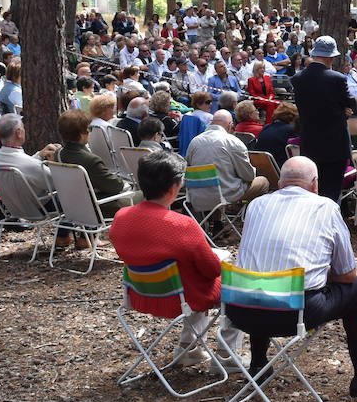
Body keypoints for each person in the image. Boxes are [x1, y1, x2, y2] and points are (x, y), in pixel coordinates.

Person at [234, 155, 357, 396]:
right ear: (315, 184)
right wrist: (322, 273)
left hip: (241, 310)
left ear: (280, 183)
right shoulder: (326, 207)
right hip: (293, 314)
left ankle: (259, 362)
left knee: (264, 279)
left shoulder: (256, 205)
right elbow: (348, 275)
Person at [110, 148, 238, 370]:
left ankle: (189, 348)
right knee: (236, 283)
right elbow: (211, 270)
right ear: (174, 187)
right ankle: (226, 357)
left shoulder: (121, 218)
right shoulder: (181, 225)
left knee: (189, 276)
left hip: (139, 293)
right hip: (179, 298)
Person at [291, 35, 356, 202]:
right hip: (335, 146)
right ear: (331, 57)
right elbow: (351, 103)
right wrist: (343, 110)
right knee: (332, 193)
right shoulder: (337, 79)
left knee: (312, 192)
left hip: (310, 144)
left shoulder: (298, 79)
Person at [56, 109, 138, 221]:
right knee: (145, 195)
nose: (90, 132)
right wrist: (123, 182)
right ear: (81, 134)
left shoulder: (59, 154)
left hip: (72, 206)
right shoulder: (90, 160)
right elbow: (115, 186)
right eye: (88, 129)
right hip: (99, 207)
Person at [185, 109, 270, 212]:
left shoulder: (194, 141)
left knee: (219, 182)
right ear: (230, 125)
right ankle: (244, 215)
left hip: (198, 197)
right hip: (225, 198)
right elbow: (248, 176)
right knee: (263, 182)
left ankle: (217, 221)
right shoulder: (233, 142)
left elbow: (188, 167)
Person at [0, 113, 60, 200]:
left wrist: (39, 155)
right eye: (23, 127)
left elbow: (21, 164)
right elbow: (57, 183)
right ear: (19, 133)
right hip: (42, 208)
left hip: (12, 208)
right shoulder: (30, 165)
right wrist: (54, 163)